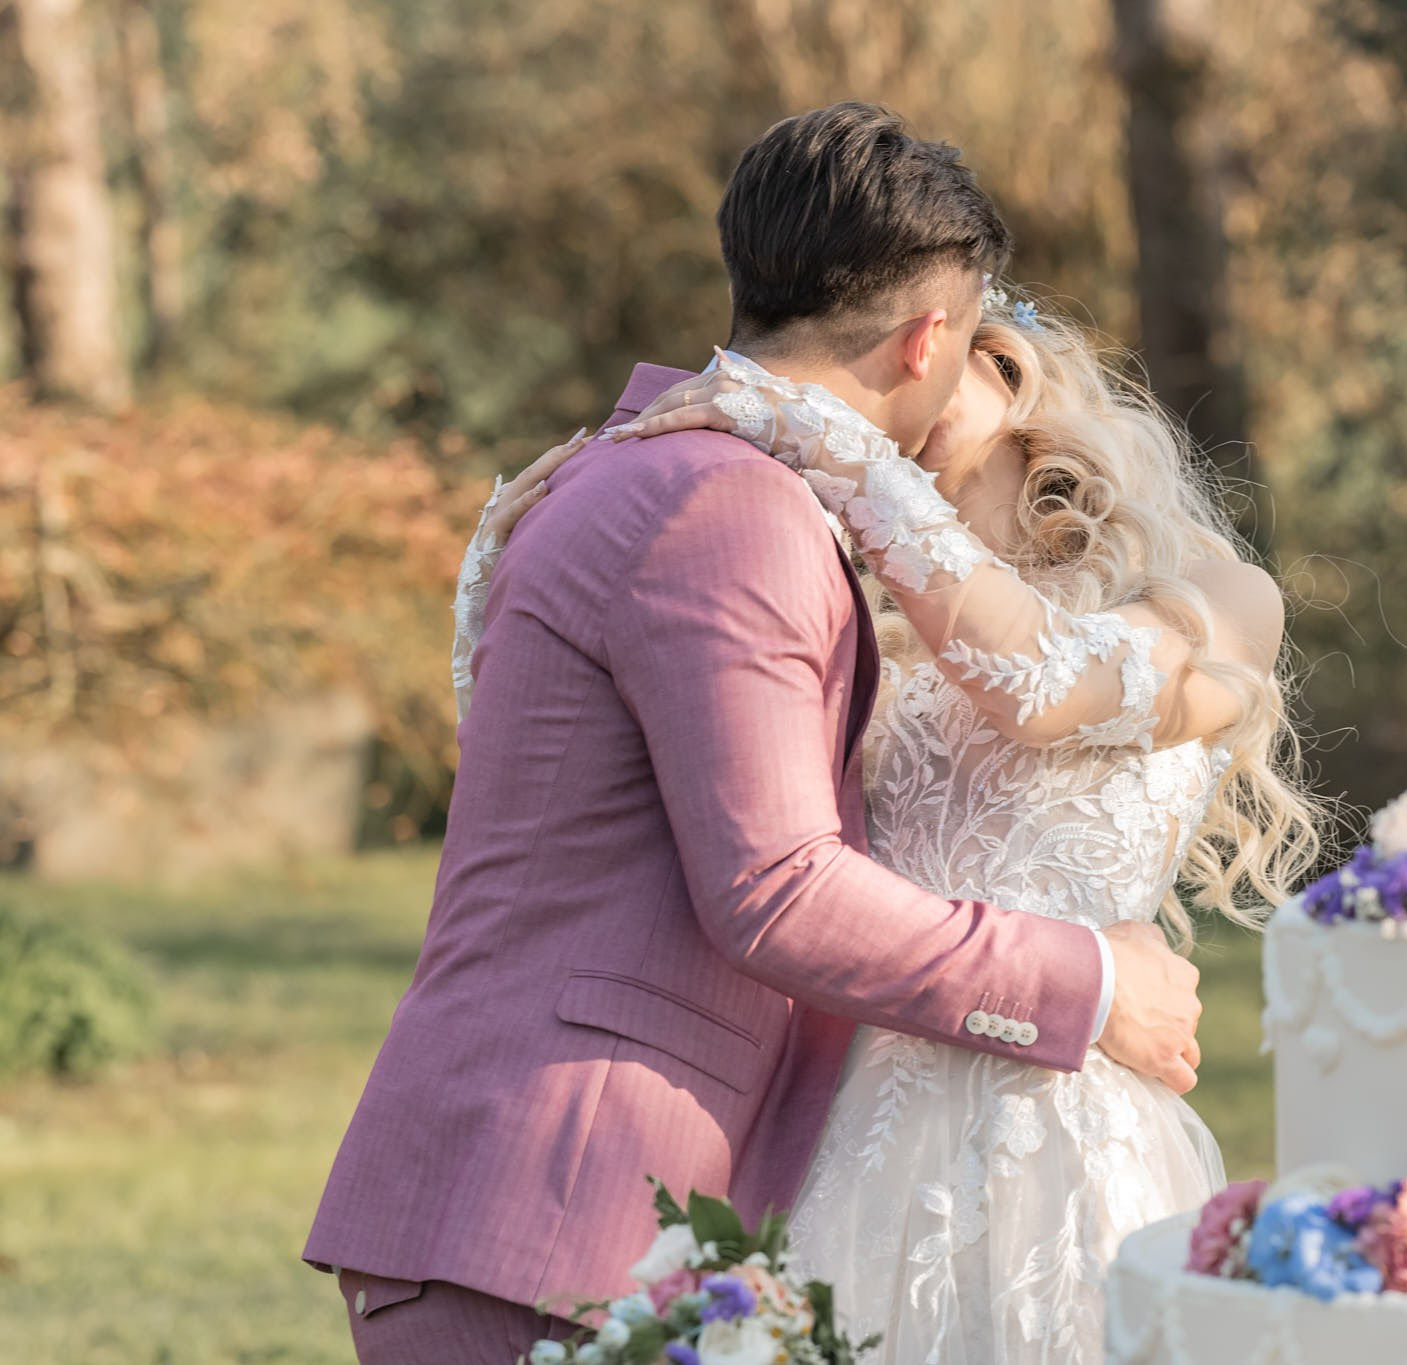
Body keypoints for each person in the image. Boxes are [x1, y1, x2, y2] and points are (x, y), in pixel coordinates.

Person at [302, 103, 1211, 1365]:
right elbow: (776, 890)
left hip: (574, 1209)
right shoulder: (728, 508)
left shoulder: (661, 471)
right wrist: (1092, 983)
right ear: (927, 337)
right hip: (557, 1203)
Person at [468, 291, 1322, 1360]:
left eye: (906, 360)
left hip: (1069, 1122)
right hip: (844, 1132)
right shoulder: (831, 601)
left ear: (996, 363)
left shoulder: (1217, 597)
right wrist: (506, 577)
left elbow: (1041, 685)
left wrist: (825, 441)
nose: (880, 398)